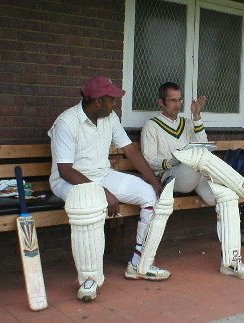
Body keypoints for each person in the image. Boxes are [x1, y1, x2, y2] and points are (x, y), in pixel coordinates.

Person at [48, 76, 175, 301]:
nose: (115, 103)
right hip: (68, 181)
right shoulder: (66, 122)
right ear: (98, 101)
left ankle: (140, 264)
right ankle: (89, 279)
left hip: (103, 175)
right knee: (91, 205)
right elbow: (66, 170)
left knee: (150, 195)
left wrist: (154, 182)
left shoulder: (110, 117)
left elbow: (130, 150)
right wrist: (102, 192)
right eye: (112, 99)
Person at [141, 82, 244, 281]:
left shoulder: (186, 122)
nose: (177, 105)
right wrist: (175, 159)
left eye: (180, 100)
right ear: (161, 102)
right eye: (172, 101)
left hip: (197, 173)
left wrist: (196, 116)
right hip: (173, 178)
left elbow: (202, 142)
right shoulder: (151, 125)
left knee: (227, 196)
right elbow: (150, 160)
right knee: (197, 157)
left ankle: (231, 262)